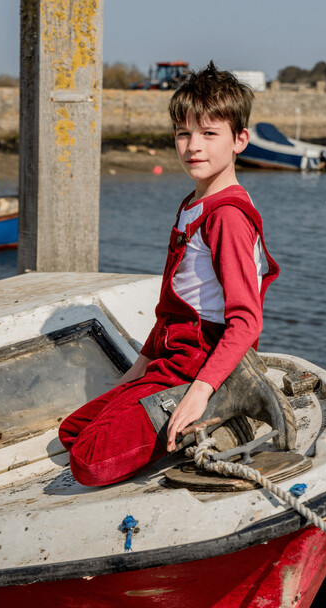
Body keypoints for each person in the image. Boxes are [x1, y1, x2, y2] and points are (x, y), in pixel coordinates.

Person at [58, 62, 281, 487]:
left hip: (200, 363)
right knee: (73, 432)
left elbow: (247, 320)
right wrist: (138, 369)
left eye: (209, 134)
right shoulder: (192, 204)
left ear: (240, 140)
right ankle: (169, 404)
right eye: (183, 134)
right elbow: (170, 308)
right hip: (169, 356)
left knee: (87, 462)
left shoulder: (227, 217)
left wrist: (200, 391)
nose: (193, 146)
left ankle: (218, 410)